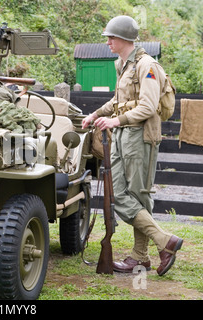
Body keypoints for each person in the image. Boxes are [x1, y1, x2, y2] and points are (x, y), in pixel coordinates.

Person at [82, 15, 183, 276]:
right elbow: (117, 100)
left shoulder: (147, 66)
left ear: (124, 38)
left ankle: (141, 257)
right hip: (122, 135)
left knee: (138, 195)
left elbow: (149, 107)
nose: (107, 42)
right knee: (116, 192)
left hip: (141, 137)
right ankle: (164, 241)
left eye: (111, 37)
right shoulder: (123, 65)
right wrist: (94, 115)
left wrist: (115, 120)